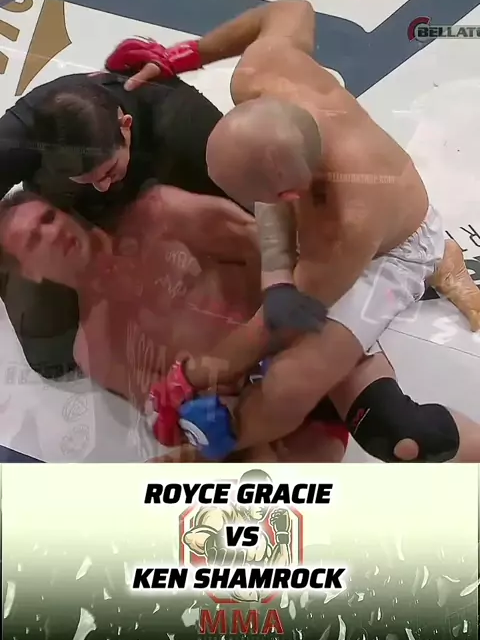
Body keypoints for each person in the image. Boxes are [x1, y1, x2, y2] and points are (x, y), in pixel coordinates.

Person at [105, 0, 480, 463]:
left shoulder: (346, 224)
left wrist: (192, 375)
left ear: (287, 198)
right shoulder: (261, 75)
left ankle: (221, 443)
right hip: (325, 197)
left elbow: (276, 323)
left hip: (393, 249)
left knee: (292, 385)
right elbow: (291, 9)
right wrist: (181, 56)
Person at [2, 188, 480, 466]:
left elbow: (279, 252)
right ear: (31, 272)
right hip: (263, 411)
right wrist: (210, 421)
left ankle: (432, 257)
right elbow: (185, 419)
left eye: (48, 217)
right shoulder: (95, 347)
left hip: (314, 338)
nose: (52, 232)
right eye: (33, 240)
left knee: (400, 435)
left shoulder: (160, 215)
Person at [0, 57, 231, 380]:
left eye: (109, 171)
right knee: (50, 351)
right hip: (72, 218)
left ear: (126, 125)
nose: (103, 184)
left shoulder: (182, 119)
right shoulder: (24, 130)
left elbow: (259, 199)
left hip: (167, 209)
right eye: (88, 178)